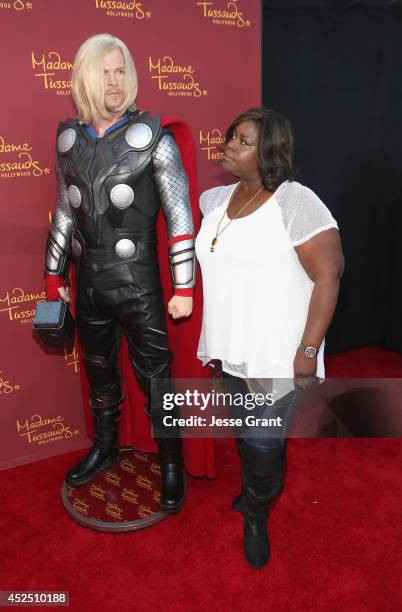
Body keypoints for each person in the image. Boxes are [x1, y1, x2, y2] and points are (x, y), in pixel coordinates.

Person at [44, 33, 196, 514]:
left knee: (156, 380)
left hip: (140, 282)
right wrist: (53, 276)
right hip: (88, 281)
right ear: (85, 77)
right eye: (104, 71)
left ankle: (171, 461)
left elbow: (179, 216)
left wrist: (185, 284)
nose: (114, 81)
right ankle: (106, 446)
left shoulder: (156, 140)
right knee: (99, 372)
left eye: (120, 70)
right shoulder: (69, 141)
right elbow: (65, 212)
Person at [195, 108, 344, 567]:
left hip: (278, 353)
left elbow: (330, 273)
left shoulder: (294, 201)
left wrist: (308, 350)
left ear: (269, 152)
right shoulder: (213, 200)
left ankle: (257, 512)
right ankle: (251, 494)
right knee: (246, 431)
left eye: (243, 141)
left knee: (263, 442)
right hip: (230, 347)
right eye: (231, 136)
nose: (230, 146)